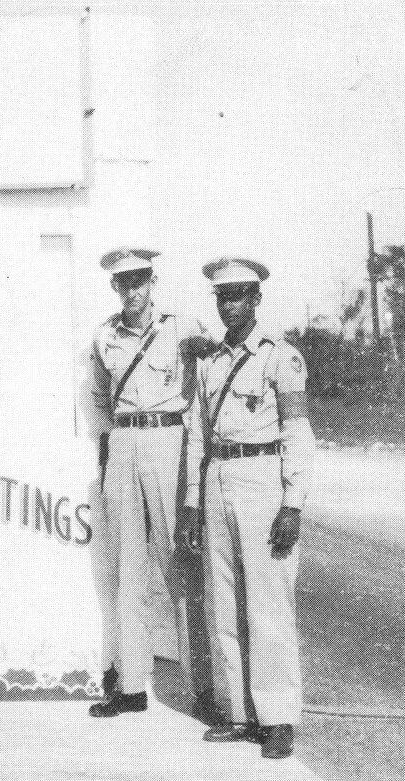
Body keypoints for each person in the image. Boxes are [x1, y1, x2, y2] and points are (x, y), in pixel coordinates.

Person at [175, 258, 314, 759]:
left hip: (262, 476)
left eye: (238, 295)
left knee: (269, 604)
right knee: (223, 600)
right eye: (222, 296)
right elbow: (196, 437)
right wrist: (191, 502)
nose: (228, 304)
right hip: (217, 476)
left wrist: (292, 502)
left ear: (256, 299)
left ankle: (276, 716)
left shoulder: (281, 357)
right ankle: (238, 712)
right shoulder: (209, 362)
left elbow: (298, 433)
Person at [88, 247, 218, 720]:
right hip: (124, 441)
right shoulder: (105, 335)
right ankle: (130, 685)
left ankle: (205, 692)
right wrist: (107, 461)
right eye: (124, 282)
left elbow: (208, 385)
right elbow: (100, 401)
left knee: (181, 563)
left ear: (152, 281)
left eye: (140, 280)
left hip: (169, 439)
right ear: (115, 287)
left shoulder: (182, 327)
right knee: (128, 570)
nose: (133, 290)